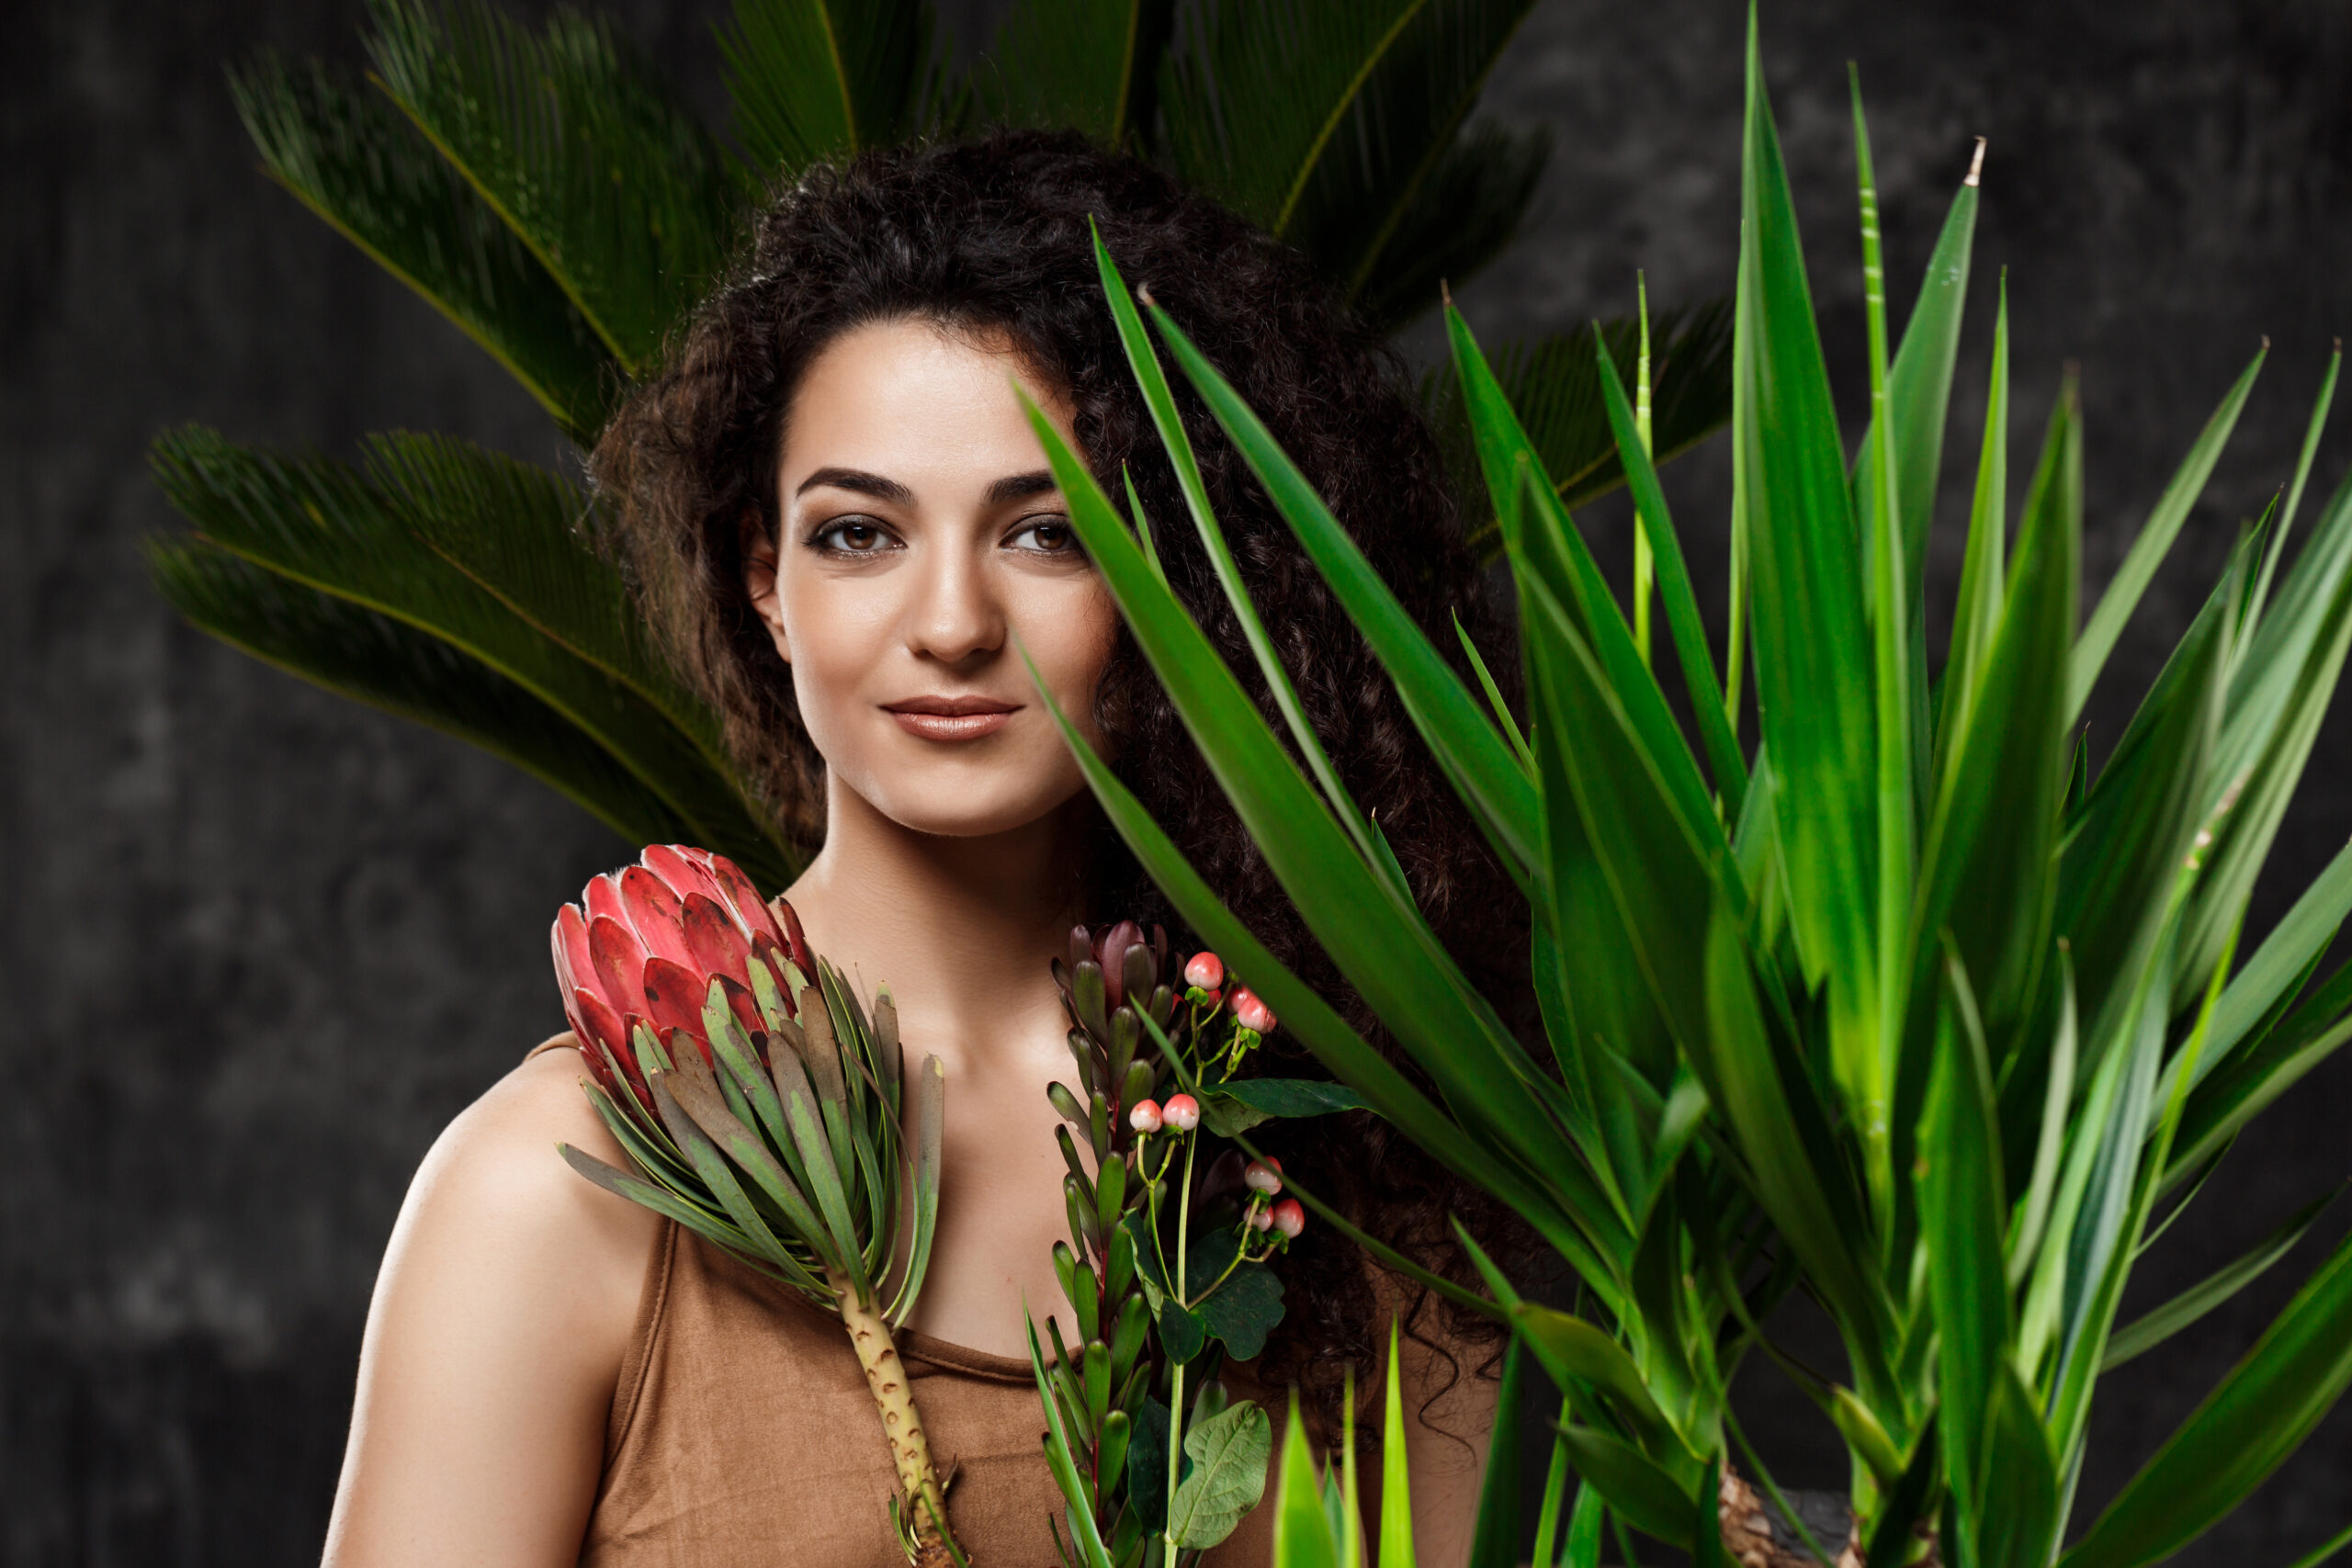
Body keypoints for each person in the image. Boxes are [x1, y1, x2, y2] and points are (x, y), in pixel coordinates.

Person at [320, 130, 1530, 1567]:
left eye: (1044, 534)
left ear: (1173, 582)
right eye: (856, 535)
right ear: (764, 584)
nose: (951, 623)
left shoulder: (1365, 1157)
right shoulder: (551, 1193)